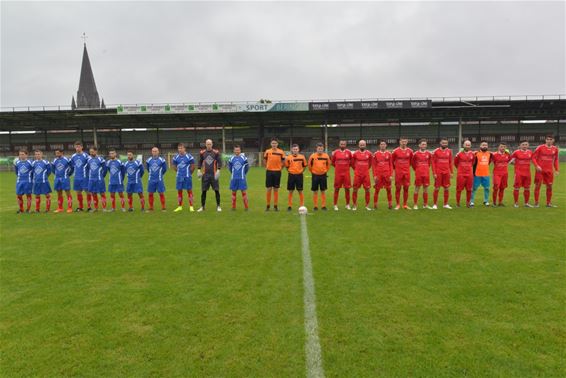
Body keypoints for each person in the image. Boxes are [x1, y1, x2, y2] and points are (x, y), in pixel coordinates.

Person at [532, 134, 560, 207]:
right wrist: (537, 166)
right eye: (548, 139)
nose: (549, 141)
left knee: (550, 186)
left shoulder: (555, 149)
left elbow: (556, 159)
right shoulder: (540, 147)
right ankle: (536, 203)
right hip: (540, 170)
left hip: (549, 170)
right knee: (538, 186)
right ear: (545, 140)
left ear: (553, 140)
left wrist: (556, 169)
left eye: (551, 139)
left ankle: (548, 203)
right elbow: (533, 158)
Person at [197, 139, 222, 212]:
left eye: (210, 144)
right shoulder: (202, 153)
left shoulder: (216, 152)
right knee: (204, 191)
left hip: (214, 175)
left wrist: (218, 170)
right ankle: (202, 206)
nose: (209, 145)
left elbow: (219, 162)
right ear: (205, 144)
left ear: (212, 144)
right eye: (207, 144)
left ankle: (218, 206)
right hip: (205, 175)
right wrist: (198, 170)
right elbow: (200, 161)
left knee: (216, 190)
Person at [172, 143, 196, 212]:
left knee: (189, 191)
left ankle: (191, 206)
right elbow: (174, 166)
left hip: (187, 177)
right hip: (179, 177)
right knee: (179, 191)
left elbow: (193, 166)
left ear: (184, 149)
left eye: (181, 148)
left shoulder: (189, 157)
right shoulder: (175, 157)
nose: (180, 150)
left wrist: (189, 173)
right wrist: (179, 172)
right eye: (179, 148)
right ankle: (180, 206)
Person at [391, 137, 414, 210]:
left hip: (407, 173)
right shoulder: (395, 151)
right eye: (402, 142)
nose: (403, 143)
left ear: (407, 142)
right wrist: (396, 168)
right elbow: (391, 162)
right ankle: (397, 205)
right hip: (398, 173)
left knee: (406, 188)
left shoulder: (410, 151)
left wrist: (406, 167)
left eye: (405, 141)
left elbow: (411, 161)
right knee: (398, 188)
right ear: (400, 142)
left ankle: (405, 204)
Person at [264, 138, 285, 211]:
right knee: (269, 188)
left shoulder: (281, 152)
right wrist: (266, 167)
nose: (274, 145)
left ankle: (275, 206)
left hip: (277, 172)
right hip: (269, 171)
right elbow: (265, 160)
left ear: (277, 144)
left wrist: (280, 168)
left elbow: (283, 161)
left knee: (276, 189)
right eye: (273, 143)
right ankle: (268, 206)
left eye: (275, 143)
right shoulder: (267, 151)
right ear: (271, 144)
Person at [351, 140, 373, 211]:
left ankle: (367, 206)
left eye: (363, 145)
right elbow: (352, 163)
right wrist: (357, 169)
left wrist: (365, 169)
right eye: (361, 145)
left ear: (365, 145)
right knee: (355, 189)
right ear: (358, 145)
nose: (362, 146)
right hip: (357, 175)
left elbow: (370, 164)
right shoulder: (355, 154)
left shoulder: (369, 154)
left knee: (367, 190)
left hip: (366, 175)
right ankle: (354, 205)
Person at [510, 140, 533, 207]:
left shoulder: (530, 152)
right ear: (520, 145)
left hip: (527, 173)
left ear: (528, 145)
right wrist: (516, 165)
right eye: (523, 144)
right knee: (517, 188)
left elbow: (533, 160)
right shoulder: (516, 152)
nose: (524, 146)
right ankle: (516, 203)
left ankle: (526, 203)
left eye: (526, 144)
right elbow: (510, 161)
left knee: (527, 188)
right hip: (518, 173)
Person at [431, 138, 453, 209]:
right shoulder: (436, 151)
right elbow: (433, 163)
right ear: (440, 143)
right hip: (438, 172)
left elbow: (450, 162)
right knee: (437, 188)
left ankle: (445, 204)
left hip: (446, 172)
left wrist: (451, 172)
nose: (444, 144)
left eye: (446, 143)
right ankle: (435, 204)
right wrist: (434, 172)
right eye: (443, 143)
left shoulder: (449, 151)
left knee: (446, 188)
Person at [308, 143, 331, 211]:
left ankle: (323, 206)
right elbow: (309, 165)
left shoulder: (326, 156)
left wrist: (325, 170)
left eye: (321, 149)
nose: (320, 150)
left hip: (323, 175)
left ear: (323, 149)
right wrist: (313, 171)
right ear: (316, 149)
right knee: (315, 191)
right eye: (319, 148)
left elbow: (328, 164)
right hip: (315, 175)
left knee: (323, 190)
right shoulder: (312, 156)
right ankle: (315, 206)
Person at [331, 140, 353, 210]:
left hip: (346, 174)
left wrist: (345, 167)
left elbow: (351, 162)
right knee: (336, 189)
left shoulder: (349, 152)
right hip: (338, 174)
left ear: (345, 145)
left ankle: (347, 204)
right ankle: (335, 205)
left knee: (347, 189)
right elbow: (333, 162)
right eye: (341, 144)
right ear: (339, 144)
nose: (342, 145)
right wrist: (338, 167)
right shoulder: (336, 152)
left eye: (344, 144)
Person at [285, 144, 307, 211]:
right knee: (290, 190)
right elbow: (286, 166)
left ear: (298, 150)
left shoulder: (302, 157)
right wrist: (290, 171)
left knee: (300, 190)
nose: (295, 150)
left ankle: (302, 205)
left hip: (299, 175)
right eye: (294, 149)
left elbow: (305, 166)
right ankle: (289, 205)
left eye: (296, 149)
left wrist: (301, 171)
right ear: (292, 150)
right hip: (291, 175)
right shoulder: (289, 157)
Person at [411, 139, 432, 209]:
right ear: (419, 145)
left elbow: (429, 163)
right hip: (419, 174)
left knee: (426, 189)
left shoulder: (429, 154)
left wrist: (425, 168)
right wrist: (417, 169)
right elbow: (413, 163)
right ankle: (415, 205)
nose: (424, 146)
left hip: (426, 174)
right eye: (422, 144)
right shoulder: (415, 154)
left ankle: (425, 205)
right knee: (417, 188)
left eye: (425, 144)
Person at [228, 145, 250, 211]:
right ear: (234, 151)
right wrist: (233, 174)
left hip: (242, 178)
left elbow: (247, 168)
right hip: (234, 178)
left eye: (238, 150)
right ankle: (233, 207)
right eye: (236, 150)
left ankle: (246, 207)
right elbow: (230, 168)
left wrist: (243, 173)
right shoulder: (231, 159)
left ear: (240, 151)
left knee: (244, 192)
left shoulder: (244, 158)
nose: (237, 151)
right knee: (233, 193)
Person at [372, 140, 393, 210]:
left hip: (387, 174)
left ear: (386, 145)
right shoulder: (376, 154)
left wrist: (391, 175)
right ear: (379, 145)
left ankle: (390, 204)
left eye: (384, 144)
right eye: (381, 144)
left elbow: (391, 165)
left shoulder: (389, 154)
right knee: (377, 190)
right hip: (379, 175)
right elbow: (374, 166)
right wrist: (374, 175)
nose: (383, 145)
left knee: (389, 189)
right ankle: (375, 205)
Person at [470, 141, 492, 207]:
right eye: (483, 145)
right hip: (477, 174)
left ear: (487, 146)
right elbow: (472, 162)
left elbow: (489, 162)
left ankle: (486, 201)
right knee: (474, 188)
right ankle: (471, 201)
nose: (484, 146)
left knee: (487, 188)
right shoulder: (476, 153)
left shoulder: (490, 154)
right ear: (480, 146)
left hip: (486, 174)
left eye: (486, 145)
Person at [70, 141, 90, 211]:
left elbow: (89, 166)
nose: (77, 148)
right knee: (78, 192)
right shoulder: (73, 156)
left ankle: (89, 207)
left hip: (84, 177)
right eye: (76, 147)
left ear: (82, 147)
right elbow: (72, 166)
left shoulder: (86, 156)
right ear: (74, 147)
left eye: (79, 146)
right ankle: (80, 207)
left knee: (87, 191)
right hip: (76, 177)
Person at [146, 147, 168, 211]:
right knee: (150, 193)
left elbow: (164, 169)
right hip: (151, 179)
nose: (154, 152)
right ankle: (151, 207)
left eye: (156, 151)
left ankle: (163, 207)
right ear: (151, 152)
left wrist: (160, 175)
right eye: (153, 151)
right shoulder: (148, 160)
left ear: (158, 152)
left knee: (161, 193)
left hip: (159, 180)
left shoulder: (162, 160)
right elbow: (148, 169)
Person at [52, 149, 74, 213]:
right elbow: (53, 169)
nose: (57, 154)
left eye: (58, 153)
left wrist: (68, 174)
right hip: (57, 179)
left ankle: (70, 208)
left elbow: (72, 167)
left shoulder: (67, 159)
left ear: (62, 153)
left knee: (68, 193)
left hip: (65, 178)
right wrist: (56, 174)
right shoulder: (54, 160)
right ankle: (60, 208)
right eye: (56, 153)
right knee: (59, 193)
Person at [454, 140, 474, 207]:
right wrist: (460, 169)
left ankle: (468, 203)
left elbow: (473, 163)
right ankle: (458, 203)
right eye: (466, 145)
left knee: (469, 189)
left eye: (469, 145)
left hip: (469, 174)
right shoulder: (459, 154)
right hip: (461, 174)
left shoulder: (472, 154)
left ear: (470, 146)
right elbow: (455, 163)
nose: (467, 146)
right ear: (463, 145)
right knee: (459, 189)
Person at [86, 146, 107, 212]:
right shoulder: (89, 160)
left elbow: (105, 169)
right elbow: (88, 168)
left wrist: (101, 176)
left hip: (99, 179)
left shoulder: (101, 159)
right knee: (93, 193)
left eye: (92, 152)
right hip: (92, 179)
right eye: (90, 152)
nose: (91, 153)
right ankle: (96, 208)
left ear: (96, 151)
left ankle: (104, 208)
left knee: (102, 193)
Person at [13, 149, 33, 213]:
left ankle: (28, 209)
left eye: (22, 154)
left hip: (28, 181)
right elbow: (16, 171)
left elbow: (33, 172)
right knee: (19, 195)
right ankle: (21, 209)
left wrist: (30, 178)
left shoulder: (30, 162)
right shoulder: (17, 163)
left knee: (28, 195)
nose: (21, 156)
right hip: (19, 181)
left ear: (26, 155)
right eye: (20, 154)